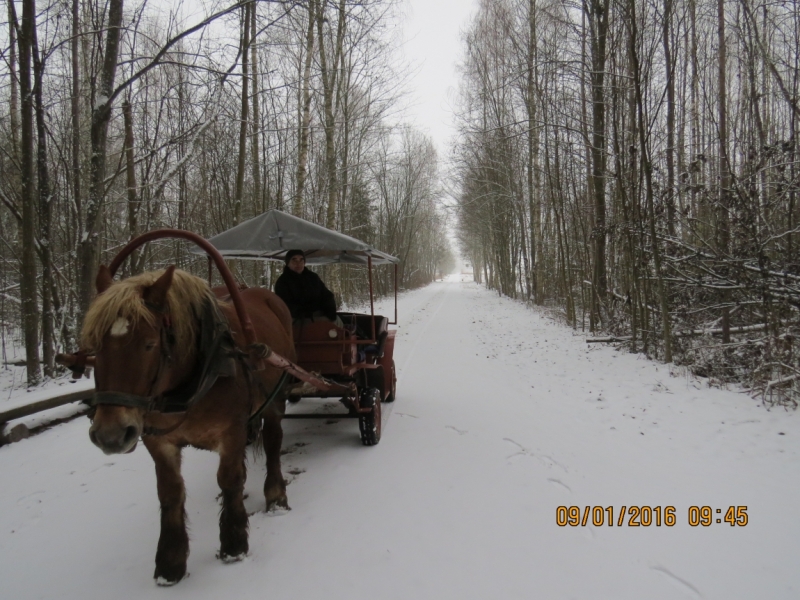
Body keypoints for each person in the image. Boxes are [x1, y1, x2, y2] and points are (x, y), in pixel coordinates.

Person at [274, 250, 340, 325]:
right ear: (288, 263)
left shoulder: (313, 277)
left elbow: (326, 295)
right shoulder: (282, 282)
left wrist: (329, 311)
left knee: (337, 321)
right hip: (297, 318)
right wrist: (304, 312)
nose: (298, 264)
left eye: (301, 260)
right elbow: (284, 304)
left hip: (317, 314)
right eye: (294, 260)